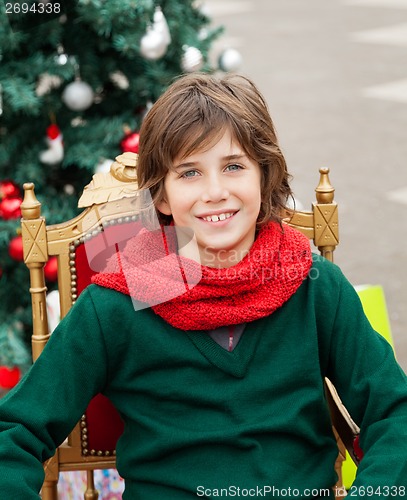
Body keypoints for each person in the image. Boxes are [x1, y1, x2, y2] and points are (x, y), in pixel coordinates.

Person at [0, 73, 406, 499]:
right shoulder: (120, 302)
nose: (215, 192)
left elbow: (395, 410)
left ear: (264, 175)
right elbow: (16, 430)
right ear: (161, 196)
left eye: (233, 166)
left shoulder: (311, 284)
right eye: (189, 172)